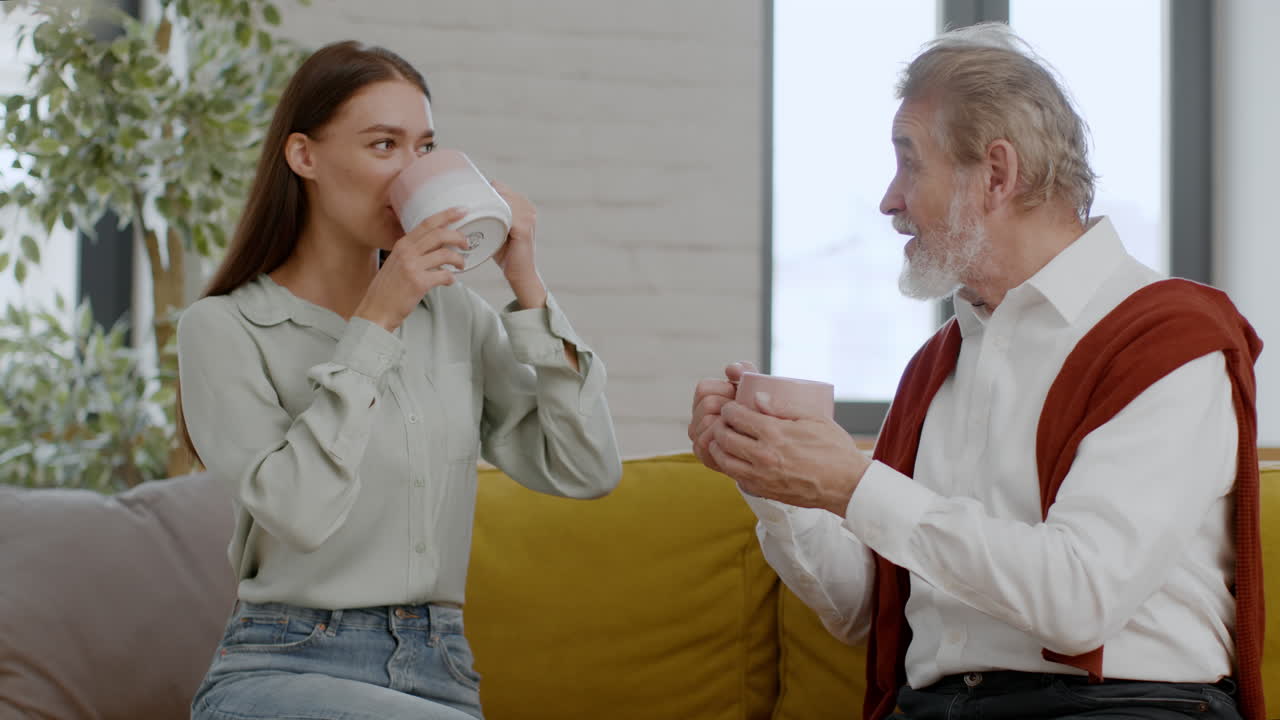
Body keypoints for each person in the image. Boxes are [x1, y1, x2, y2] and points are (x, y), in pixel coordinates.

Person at [689, 23, 1264, 720]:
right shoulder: (938, 367)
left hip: (1120, 707)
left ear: (995, 174)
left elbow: (1079, 599)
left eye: (909, 163)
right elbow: (866, 612)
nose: (889, 200)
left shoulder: (1169, 338)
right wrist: (771, 477)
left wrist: (855, 482)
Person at [178, 40, 622, 720]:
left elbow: (586, 468)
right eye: (384, 145)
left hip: (440, 667)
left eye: (424, 149)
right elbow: (299, 513)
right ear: (305, 157)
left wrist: (525, 282)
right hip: (284, 662)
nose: (410, 173)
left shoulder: (456, 318)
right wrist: (378, 318)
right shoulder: (223, 329)